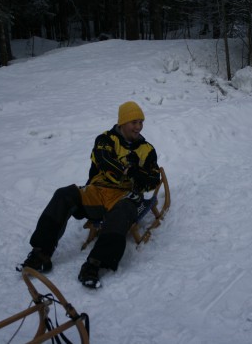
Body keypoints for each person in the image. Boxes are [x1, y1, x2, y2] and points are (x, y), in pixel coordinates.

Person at [19, 101, 161, 288]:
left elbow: (152, 180)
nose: (138, 126)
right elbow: (103, 160)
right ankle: (41, 253)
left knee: (123, 210)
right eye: (133, 122)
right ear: (122, 122)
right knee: (64, 194)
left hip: (123, 196)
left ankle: (95, 263)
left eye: (141, 122)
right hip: (97, 191)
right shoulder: (105, 139)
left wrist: (137, 173)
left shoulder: (147, 149)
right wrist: (128, 170)